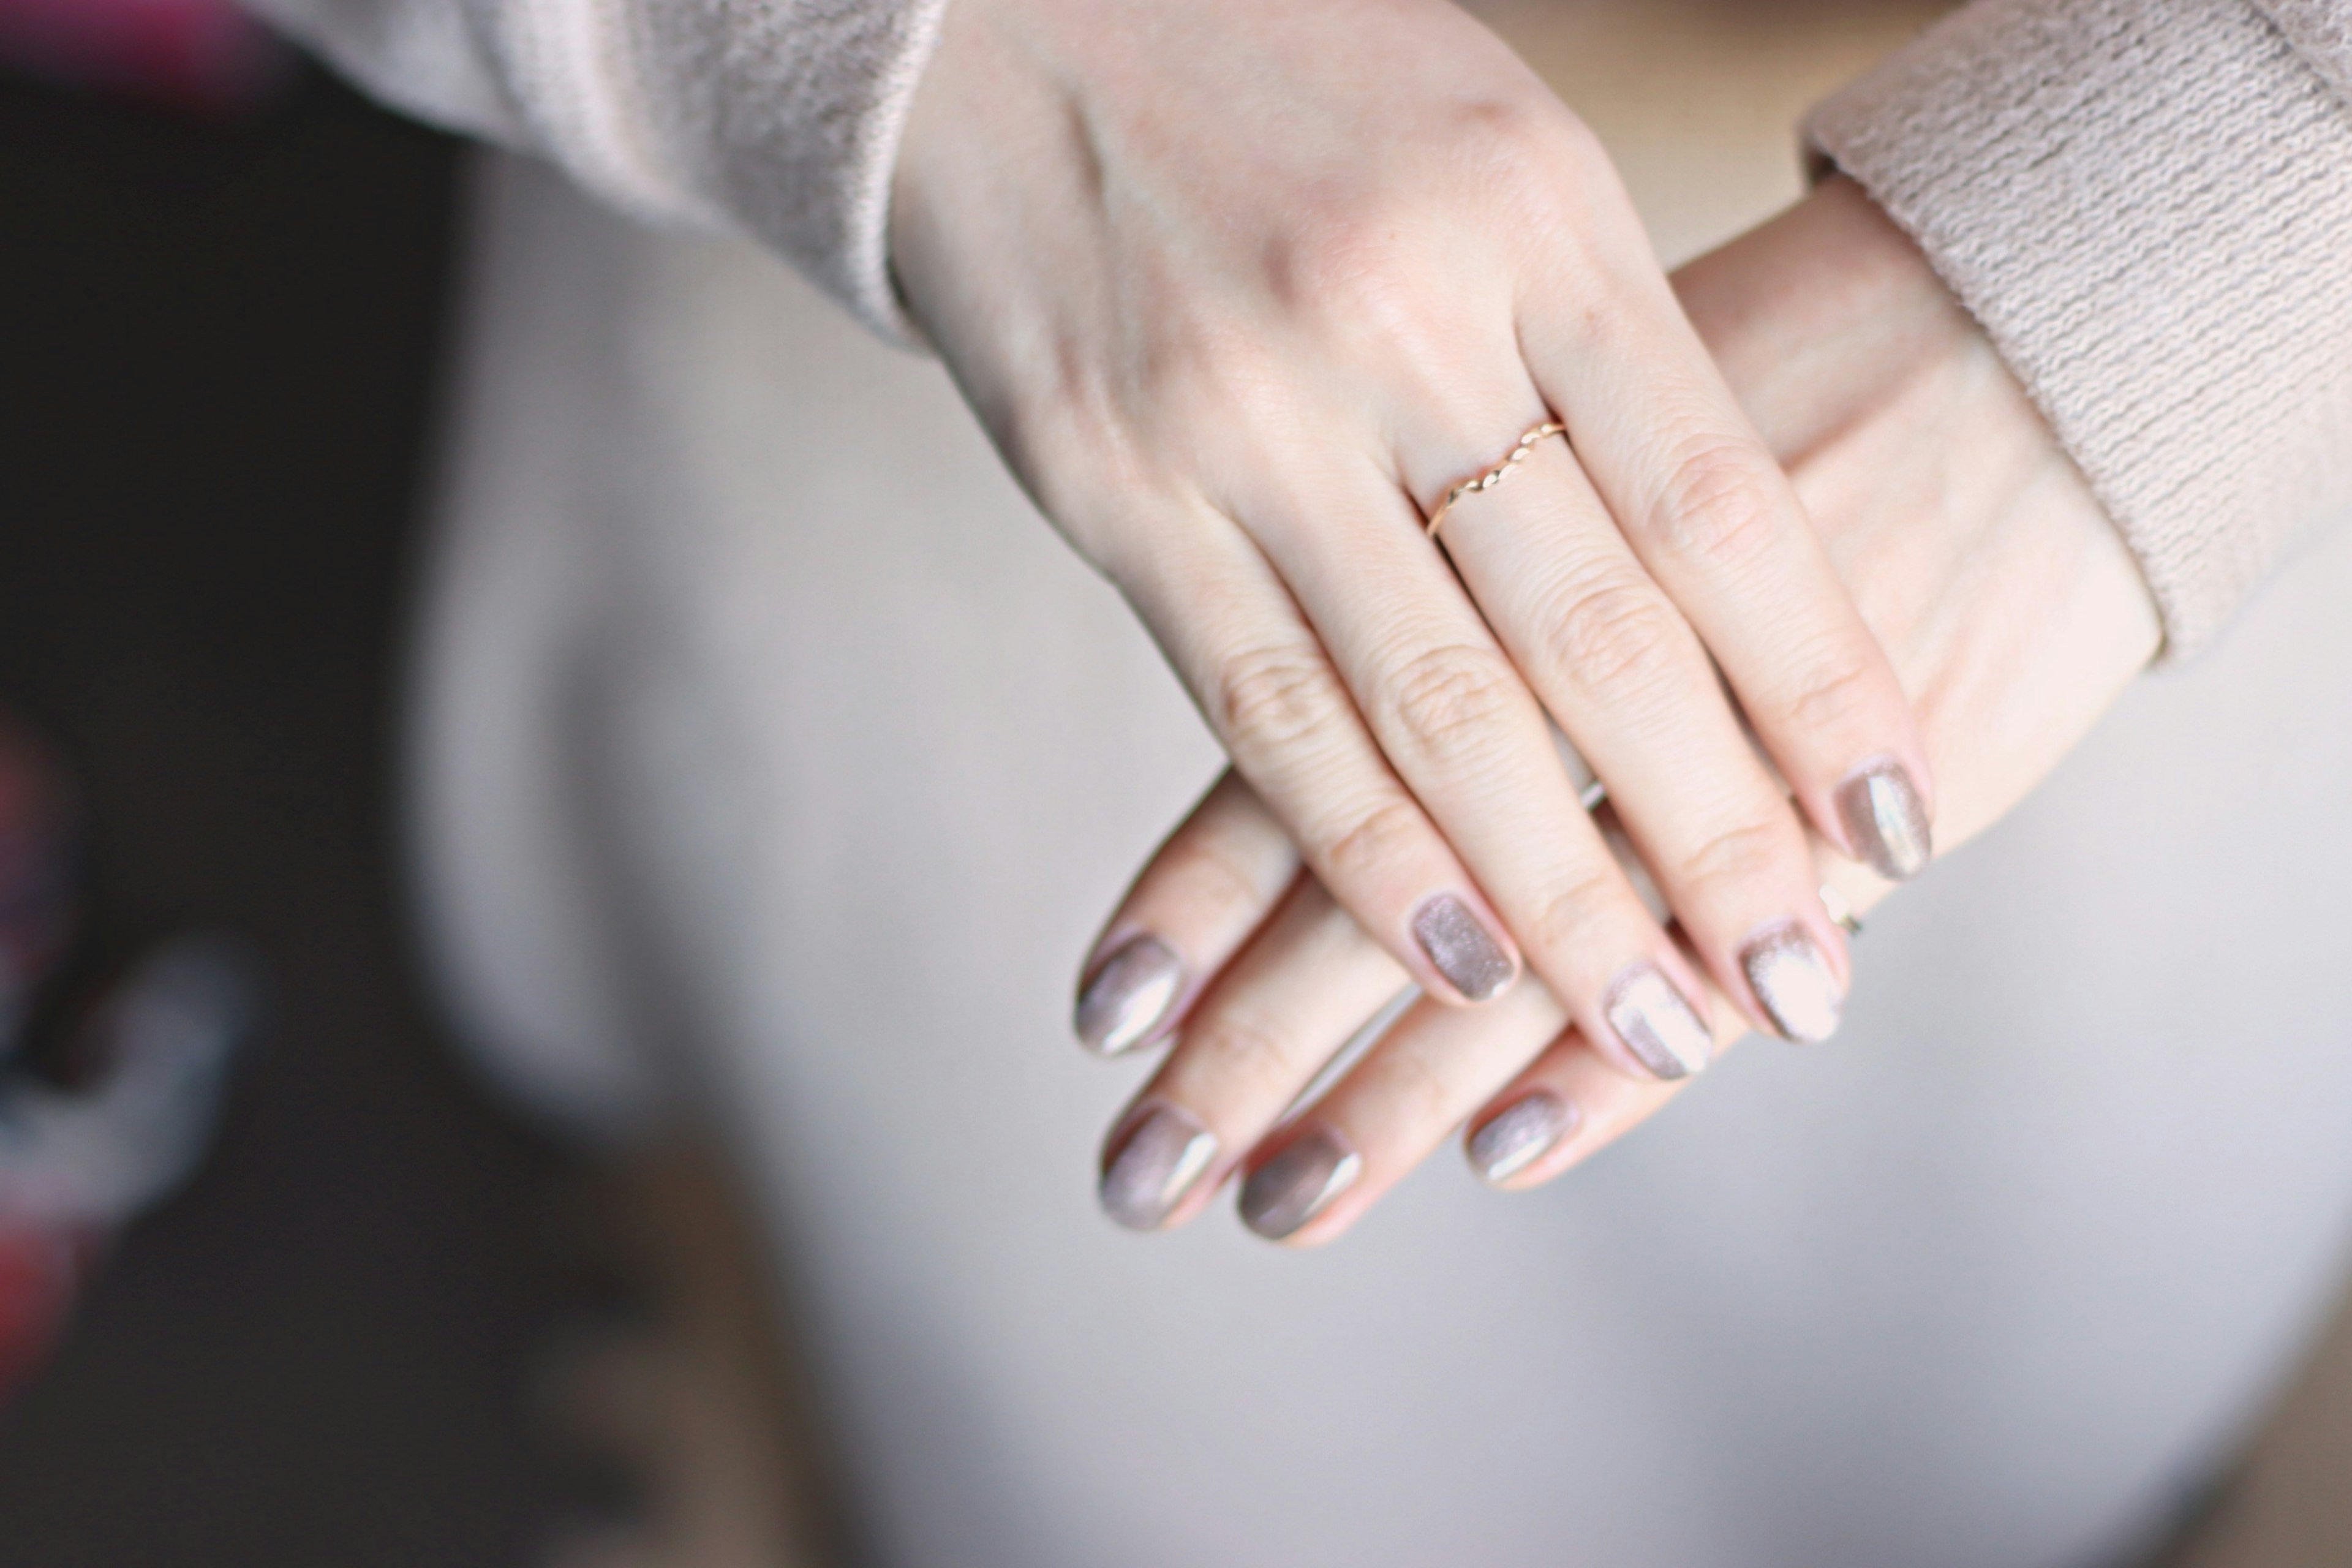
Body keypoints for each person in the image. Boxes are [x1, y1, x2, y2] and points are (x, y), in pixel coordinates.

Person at [249, 0, 2352, 1562]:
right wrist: (941, 51)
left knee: (1994, 1289)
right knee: (1065, 1332)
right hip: (988, 330)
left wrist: (2227, 195)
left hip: (2123, 472)